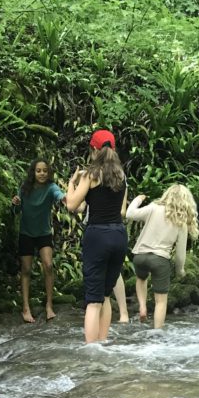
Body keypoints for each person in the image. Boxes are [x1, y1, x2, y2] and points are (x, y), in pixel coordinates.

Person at [65, 130, 128, 343]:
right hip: (118, 235)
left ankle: (91, 351)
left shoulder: (90, 175)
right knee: (105, 295)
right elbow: (121, 211)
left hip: (98, 236)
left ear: (93, 149)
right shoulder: (121, 175)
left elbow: (72, 205)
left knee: (93, 301)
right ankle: (102, 344)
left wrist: (71, 183)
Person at [125, 183, 199, 328]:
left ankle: (142, 307)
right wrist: (180, 270)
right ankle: (157, 332)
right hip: (160, 259)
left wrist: (138, 199)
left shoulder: (153, 208)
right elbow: (180, 255)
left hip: (140, 256)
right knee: (160, 301)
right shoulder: (181, 222)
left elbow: (130, 214)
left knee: (141, 278)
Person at [11, 159, 65, 323]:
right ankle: (26, 308)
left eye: (45, 171)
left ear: (49, 173)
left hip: (44, 233)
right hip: (26, 233)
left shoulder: (51, 187)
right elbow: (16, 211)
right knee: (26, 269)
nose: (42, 173)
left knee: (48, 265)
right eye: (38, 170)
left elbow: (59, 195)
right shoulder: (25, 188)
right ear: (33, 173)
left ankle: (49, 305)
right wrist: (15, 203)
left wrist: (66, 199)